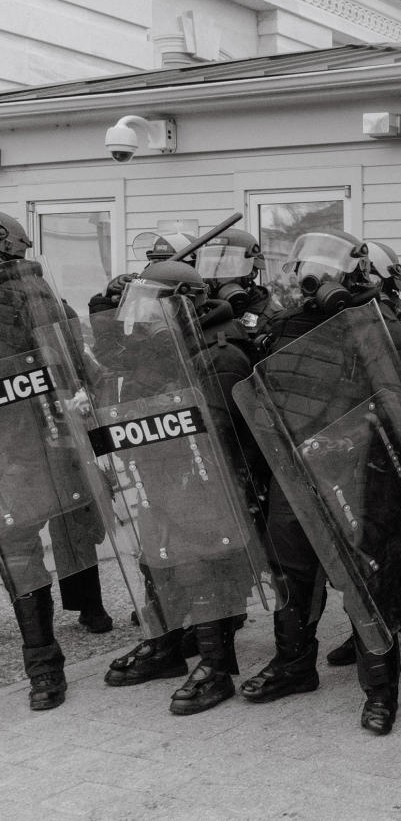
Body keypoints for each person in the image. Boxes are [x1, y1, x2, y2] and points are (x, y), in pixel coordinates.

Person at [237, 230, 401, 735]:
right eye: (309, 268)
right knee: (291, 569)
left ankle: (380, 691)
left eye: (328, 269)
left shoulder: (382, 329)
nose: (314, 278)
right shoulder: (283, 325)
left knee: (362, 576)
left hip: (356, 472)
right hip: (293, 469)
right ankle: (292, 665)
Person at [90, 260, 265, 715]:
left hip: (205, 478)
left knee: (201, 564)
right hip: (156, 469)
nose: (142, 317)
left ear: (185, 304)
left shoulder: (220, 352)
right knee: (158, 560)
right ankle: (165, 647)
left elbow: (224, 433)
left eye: (151, 305)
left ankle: (215, 666)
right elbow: (122, 374)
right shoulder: (165, 344)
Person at [0, 211, 100, 710]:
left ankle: (44, 671)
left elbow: (65, 367)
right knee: (68, 526)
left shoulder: (22, 295)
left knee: (20, 551)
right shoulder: (45, 294)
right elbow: (76, 365)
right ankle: (89, 617)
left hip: (19, 446)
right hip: (43, 440)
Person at [195, 228, 282, 342]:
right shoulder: (202, 312)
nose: (213, 279)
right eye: (209, 266)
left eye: (225, 268)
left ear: (252, 272)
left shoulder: (274, 320)